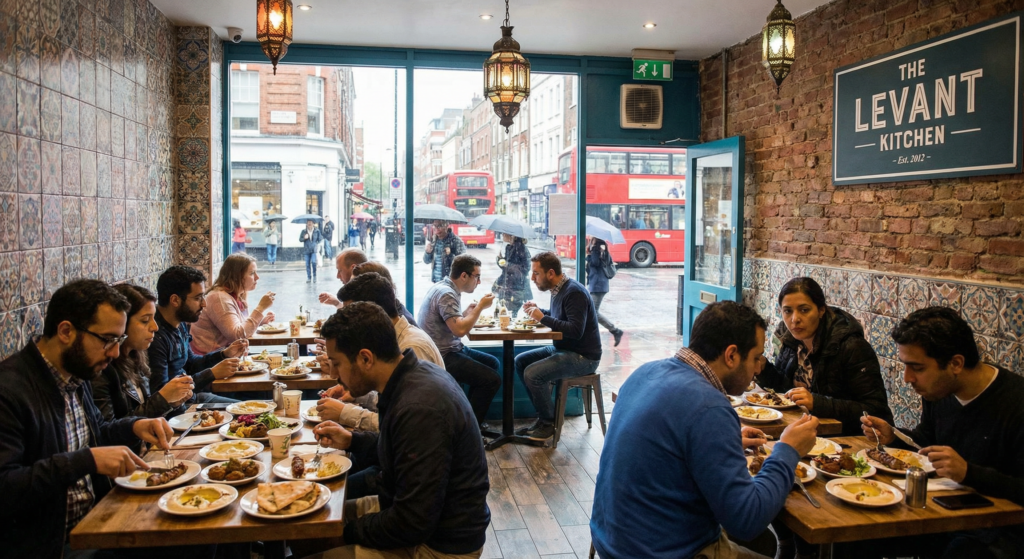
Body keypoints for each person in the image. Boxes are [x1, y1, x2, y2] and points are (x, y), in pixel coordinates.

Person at [591, 301, 819, 559]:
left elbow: (671, 444)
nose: (758, 369)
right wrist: (787, 451)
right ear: (731, 355)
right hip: (660, 551)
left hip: (611, 538)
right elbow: (747, 520)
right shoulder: (709, 407)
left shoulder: (646, 371)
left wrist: (725, 441)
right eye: (756, 358)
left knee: (764, 543)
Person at [0, 279, 175, 559]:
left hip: (97, 517)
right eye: (108, 340)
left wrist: (134, 425)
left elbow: (96, 435)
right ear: (66, 331)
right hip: (53, 544)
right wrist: (86, 460)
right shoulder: (11, 390)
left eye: (118, 341)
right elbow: (6, 487)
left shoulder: (74, 373)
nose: (115, 353)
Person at [305, 302, 490, 558]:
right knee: (312, 521)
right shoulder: (412, 374)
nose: (335, 375)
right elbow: (401, 451)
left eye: (337, 364)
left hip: (440, 545)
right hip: (414, 515)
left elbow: (411, 522)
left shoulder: (419, 407)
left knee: (317, 537)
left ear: (365, 358)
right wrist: (352, 441)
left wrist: (342, 534)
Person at [857, 306, 1024, 558]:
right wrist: (893, 436)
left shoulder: (1015, 404)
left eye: (918, 368)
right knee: (861, 535)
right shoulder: (938, 393)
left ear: (956, 363)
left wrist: (969, 472)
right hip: (944, 513)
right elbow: (927, 443)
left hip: (1000, 531)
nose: (907, 378)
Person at [758, 277, 892, 435]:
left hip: (849, 438)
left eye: (804, 310)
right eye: (788, 311)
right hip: (809, 432)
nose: (795, 319)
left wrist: (818, 403)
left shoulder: (851, 346)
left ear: (821, 310)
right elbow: (786, 392)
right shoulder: (790, 339)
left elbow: (876, 410)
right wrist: (764, 368)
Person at [316, 272, 444, 432]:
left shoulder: (412, 347)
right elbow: (393, 399)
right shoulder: (394, 340)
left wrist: (345, 413)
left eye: (352, 315)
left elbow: (405, 424)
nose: (346, 326)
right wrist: (356, 394)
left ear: (373, 312)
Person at [515, 252, 603, 442]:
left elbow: (575, 330)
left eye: (536, 273)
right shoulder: (558, 289)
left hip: (583, 357)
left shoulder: (574, 292)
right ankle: (543, 417)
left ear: (551, 273)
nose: (532, 278)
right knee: (520, 361)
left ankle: (549, 424)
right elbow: (561, 317)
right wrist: (538, 311)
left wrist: (542, 318)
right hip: (564, 350)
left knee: (532, 374)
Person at [92, 284, 194, 430]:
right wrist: (162, 399)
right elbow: (109, 432)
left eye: (153, 319)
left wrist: (172, 403)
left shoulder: (137, 356)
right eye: (145, 320)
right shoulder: (102, 369)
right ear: (122, 323)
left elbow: (150, 416)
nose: (155, 327)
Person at [418, 254, 500, 428]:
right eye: (476, 276)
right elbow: (460, 330)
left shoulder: (443, 287)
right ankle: (471, 429)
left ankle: (467, 416)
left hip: (450, 348)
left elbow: (450, 324)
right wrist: (479, 308)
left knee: (492, 363)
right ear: (464, 276)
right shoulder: (447, 294)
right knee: (492, 380)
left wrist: (464, 314)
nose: (478, 282)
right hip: (442, 355)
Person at [148, 266, 246, 404]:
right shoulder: (154, 337)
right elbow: (164, 395)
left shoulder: (179, 323)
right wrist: (211, 374)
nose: (204, 304)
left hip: (194, 399)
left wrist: (224, 354)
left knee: (254, 411)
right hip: (179, 413)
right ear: (175, 300)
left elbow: (191, 364)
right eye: (198, 298)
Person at [188, 253, 276, 355]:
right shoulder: (219, 298)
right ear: (237, 276)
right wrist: (260, 308)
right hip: (210, 361)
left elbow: (239, 327)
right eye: (252, 273)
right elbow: (237, 336)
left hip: (225, 358)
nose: (257, 277)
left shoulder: (237, 295)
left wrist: (259, 322)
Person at [586, 237, 624, 347]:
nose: (590, 241)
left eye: (592, 240)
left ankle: (615, 330)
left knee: (593, 312)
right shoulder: (604, 251)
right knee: (591, 311)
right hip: (599, 285)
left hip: (598, 285)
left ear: (595, 242)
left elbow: (595, 263)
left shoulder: (596, 251)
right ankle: (592, 335)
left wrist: (590, 254)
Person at [494, 234, 532, 307]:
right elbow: (505, 268)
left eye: (504, 233)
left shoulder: (522, 249)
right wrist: (500, 259)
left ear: (512, 236)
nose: (502, 235)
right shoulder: (508, 247)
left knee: (513, 309)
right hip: (507, 283)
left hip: (517, 285)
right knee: (503, 306)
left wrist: (507, 264)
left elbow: (525, 269)